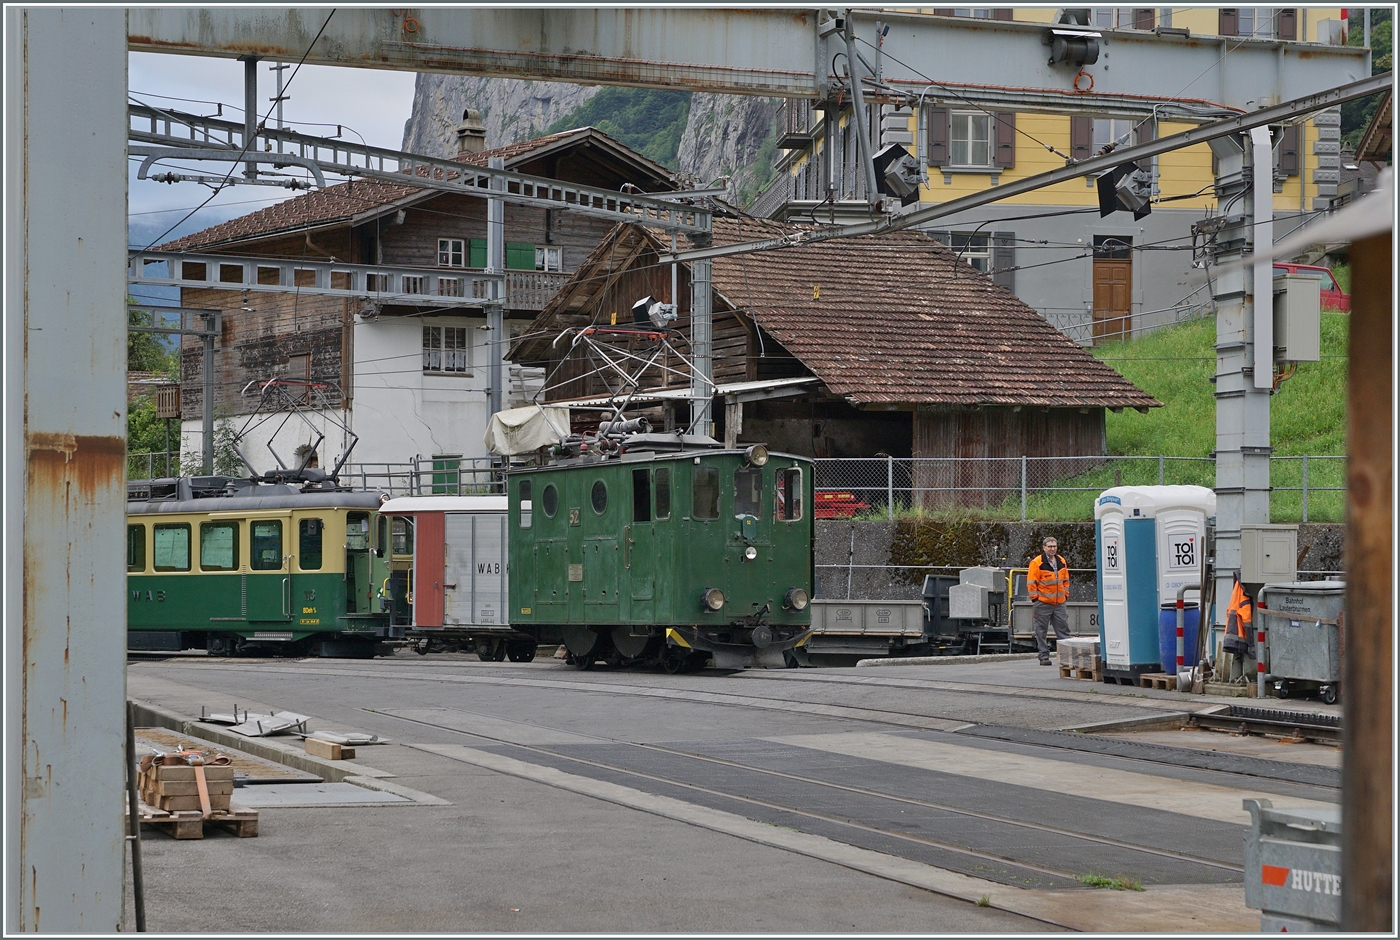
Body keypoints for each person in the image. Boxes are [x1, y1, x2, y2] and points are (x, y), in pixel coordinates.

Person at [1028, 536, 1070, 665]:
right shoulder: (1037, 563)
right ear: (1044, 548)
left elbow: (1066, 580)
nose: (1052, 549)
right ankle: (1043, 656)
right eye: (1050, 546)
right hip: (1043, 603)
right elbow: (1031, 582)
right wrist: (1036, 599)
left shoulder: (1061, 561)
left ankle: (1066, 658)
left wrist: (1065, 595)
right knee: (1041, 631)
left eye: (1054, 546)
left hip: (1059, 603)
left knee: (1063, 631)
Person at [1224, 571, 1255, 681]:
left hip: (1235, 635)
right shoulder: (1241, 593)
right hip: (1240, 636)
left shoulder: (1238, 591)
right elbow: (1247, 620)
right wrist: (1251, 645)